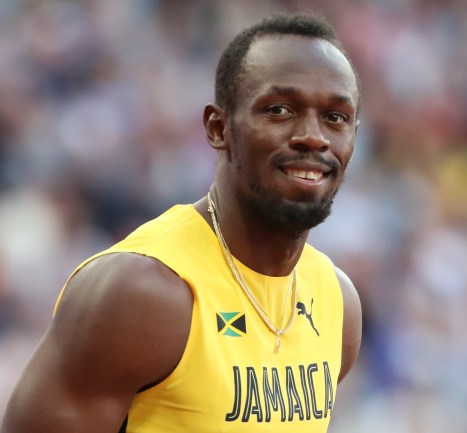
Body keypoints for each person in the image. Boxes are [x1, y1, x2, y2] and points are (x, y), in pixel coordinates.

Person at [1, 11, 362, 433]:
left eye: (335, 117)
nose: (314, 136)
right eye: (280, 110)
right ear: (218, 127)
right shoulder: (141, 292)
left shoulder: (337, 303)